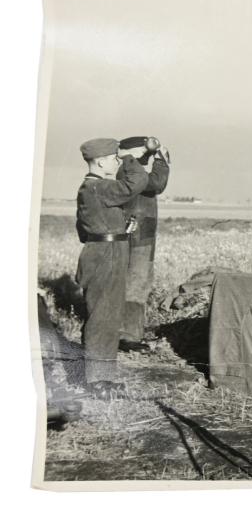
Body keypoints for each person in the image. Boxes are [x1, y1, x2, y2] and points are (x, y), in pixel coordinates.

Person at [75, 138, 148, 397]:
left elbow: (83, 230)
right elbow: (137, 183)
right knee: (103, 317)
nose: (117, 162)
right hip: (106, 255)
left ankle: (99, 378)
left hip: (105, 251)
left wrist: (115, 230)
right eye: (115, 158)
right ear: (102, 161)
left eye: (120, 159)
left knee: (105, 315)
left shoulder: (90, 189)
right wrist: (131, 158)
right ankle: (97, 383)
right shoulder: (99, 187)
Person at [116, 136, 171, 352]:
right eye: (146, 151)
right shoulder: (131, 171)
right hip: (138, 235)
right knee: (137, 281)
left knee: (137, 280)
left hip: (141, 232)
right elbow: (157, 183)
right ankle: (127, 336)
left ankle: (126, 333)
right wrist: (162, 162)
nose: (149, 154)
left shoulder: (129, 170)